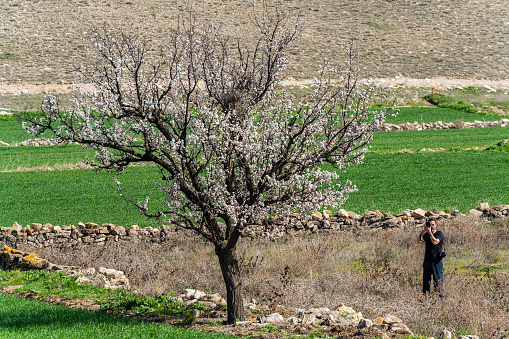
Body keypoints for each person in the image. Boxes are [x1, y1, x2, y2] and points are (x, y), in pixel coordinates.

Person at [418, 218, 444, 294]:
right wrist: (424, 230)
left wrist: (430, 233)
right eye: (430, 224)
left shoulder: (439, 233)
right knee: (426, 281)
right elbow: (419, 240)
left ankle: (439, 299)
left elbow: (435, 242)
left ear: (436, 225)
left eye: (433, 224)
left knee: (437, 281)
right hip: (427, 261)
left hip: (436, 261)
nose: (431, 226)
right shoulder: (426, 234)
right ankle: (425, 298)